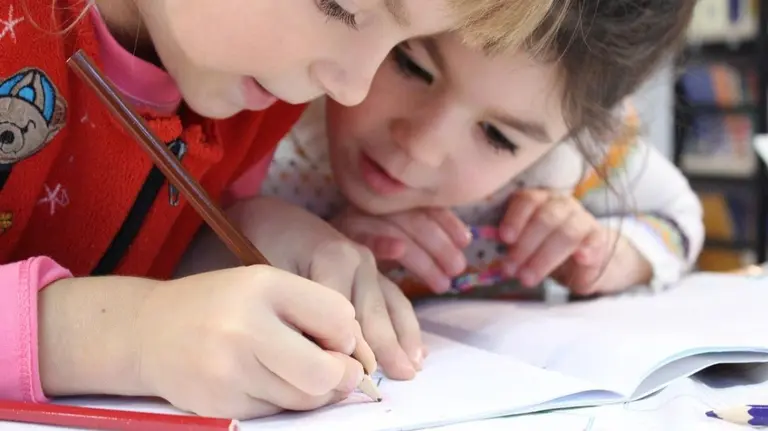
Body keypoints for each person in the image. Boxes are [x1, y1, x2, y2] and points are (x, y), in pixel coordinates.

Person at [0, 0, 560, 420]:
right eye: (342, 5)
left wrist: (231, 236)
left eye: (398, 47)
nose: (350, 89)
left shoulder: (251, 95)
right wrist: (129, 336)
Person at [258, 1, 703, 303]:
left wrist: (613, 254)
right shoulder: (267, 108)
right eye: (410, 65)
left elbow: (679, 217)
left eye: (498, 137)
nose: (421, 147)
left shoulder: (567, 165)